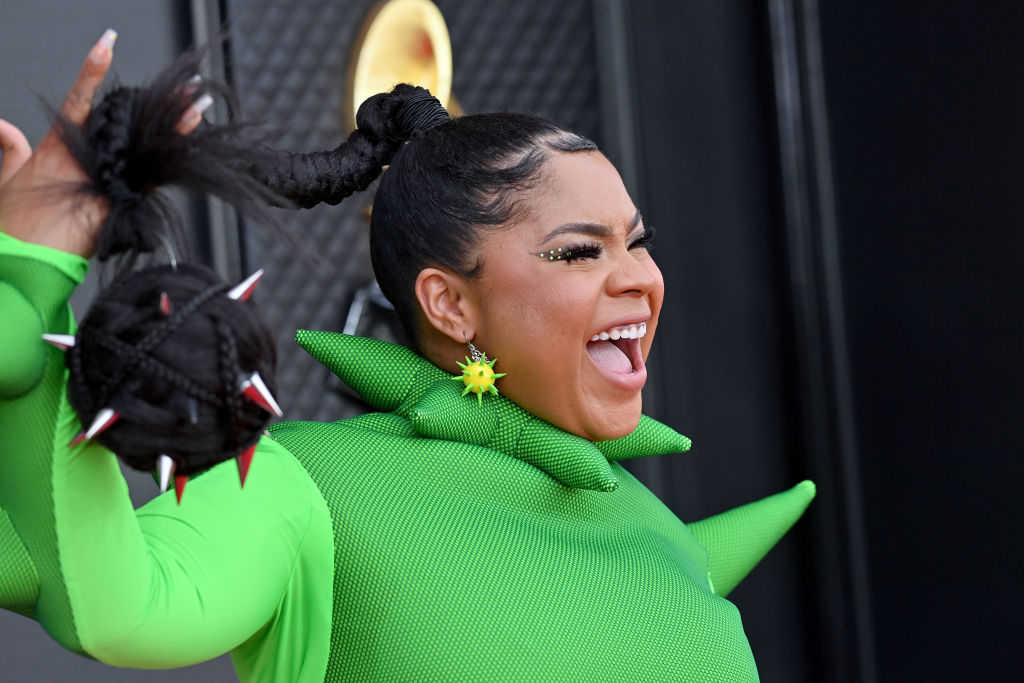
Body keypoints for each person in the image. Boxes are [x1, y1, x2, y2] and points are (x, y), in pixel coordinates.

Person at [0, 31, 815, 682]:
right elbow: (122, 606)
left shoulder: (662, 538)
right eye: (579, 252)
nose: (639, 277)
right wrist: (27, 282)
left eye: (638, 243)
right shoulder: (306, 485)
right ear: (449, 302)